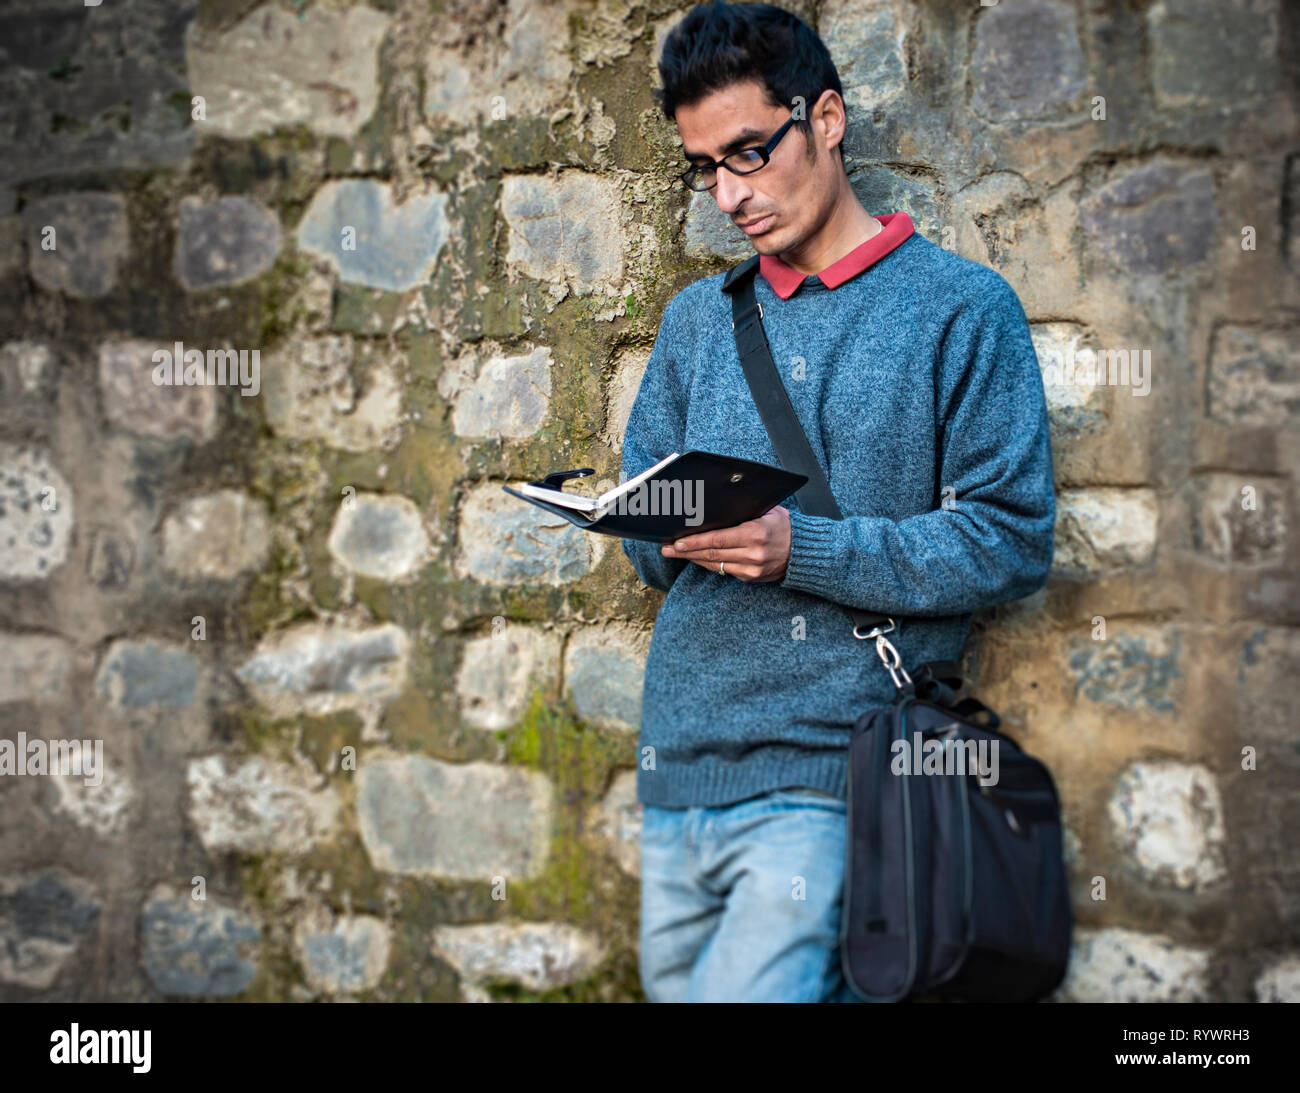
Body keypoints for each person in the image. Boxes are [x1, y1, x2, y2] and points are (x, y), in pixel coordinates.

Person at [621, 1, 1055, 1002]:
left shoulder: (959, 308)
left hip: (831, 778)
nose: (727, 195)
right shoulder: (697, 320)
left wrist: (794, 550)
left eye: (746, 153)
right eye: (703, 169)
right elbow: (647, 550)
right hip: (678, 773)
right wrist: (651, 527)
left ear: (824, 118)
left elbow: (1008, 540)